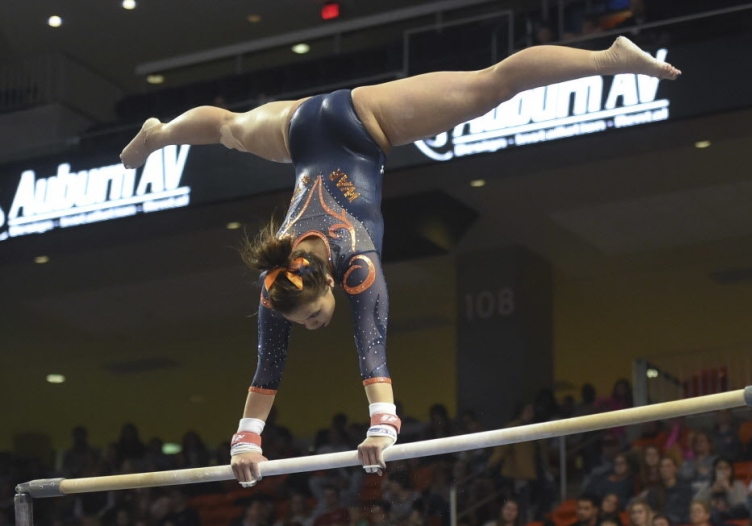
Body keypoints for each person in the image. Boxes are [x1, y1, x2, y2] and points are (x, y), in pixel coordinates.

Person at [120, 37, 680, 485]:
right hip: (299, 131)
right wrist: (246, 441)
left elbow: (371, 346)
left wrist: (381, 426)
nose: (315, 326)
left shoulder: (354, 263)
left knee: (494, 85)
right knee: (225, 128)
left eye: (313, 318)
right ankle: (162, 132)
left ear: (328, 286)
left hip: (362, 125)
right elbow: (268, 366)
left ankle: (610, 58)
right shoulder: (279, 285)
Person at [694, 457, 748, 522]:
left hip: (733, 515)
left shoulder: (738, 485)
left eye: (726, 468)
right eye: (720, 468)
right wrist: (711, 492)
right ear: (714, 471)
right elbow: (696, 504)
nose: (723, 472)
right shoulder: (707, 486)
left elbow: (741, 506)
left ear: (731, 471)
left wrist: (729, 489)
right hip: (714, 517)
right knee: (714, 514)